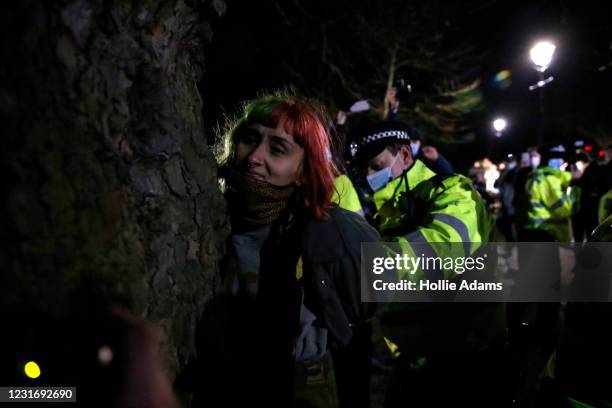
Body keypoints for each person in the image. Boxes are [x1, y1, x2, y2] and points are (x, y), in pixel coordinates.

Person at [193, 94, 381, 408]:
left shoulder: (320, 228)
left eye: (277, 149)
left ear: (304, 171)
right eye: (249, 139)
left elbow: (374, 295)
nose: (253, 156)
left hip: (298, 386)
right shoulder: (202, 214)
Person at [350, 120, 507, 406]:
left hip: (465, 360)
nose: (368, 175)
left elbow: (444, 249)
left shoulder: (455, 192)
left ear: (406, 156)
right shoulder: (387, 210)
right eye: (363, 169)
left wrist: (362, 265)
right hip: (412, 360)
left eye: (375, 165)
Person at [385, 87, 454, 175]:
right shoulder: (396, 156)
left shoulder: (426, 159)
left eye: (415, 141)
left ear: (420, 143)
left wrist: (438, 159)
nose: (412, 144)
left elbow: (449, 174)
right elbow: (389, 130)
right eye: (410, 140)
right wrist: (393, 109)